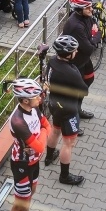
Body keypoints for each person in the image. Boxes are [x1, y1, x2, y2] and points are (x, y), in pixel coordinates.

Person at [43, 34, 87, 186]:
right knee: (68, 143)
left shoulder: (52, 61)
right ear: (68, 54)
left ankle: (49, 157)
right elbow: (84, 91)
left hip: (54, 104)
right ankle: (64, 176)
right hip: (68, 110)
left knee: (55, 131)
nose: (76, 52)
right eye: (74, 50)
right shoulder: (71, 72)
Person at [8, 78, 50, 211]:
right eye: (36, 96)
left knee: (31, 192)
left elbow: (48, 126)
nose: (40, 98)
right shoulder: (18, 121)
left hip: (34, 161)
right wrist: (43, 132)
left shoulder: (33, 108)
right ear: (25, 100)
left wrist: (43, 132)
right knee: (19, 205)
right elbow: (39, 146)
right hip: (22, 163)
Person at [61, 0, 100, 126]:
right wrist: (94, 37)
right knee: (74, 92)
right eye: (87, 7)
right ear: (78, 9)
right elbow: (89, 48)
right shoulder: (76, 26)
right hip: (74, 64)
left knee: (88, 81)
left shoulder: (86, 16)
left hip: (84, 60)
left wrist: (93, 37)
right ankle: (71, 122)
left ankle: (78, 109)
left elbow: (97, 30)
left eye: (90, 6)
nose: (91, 10)